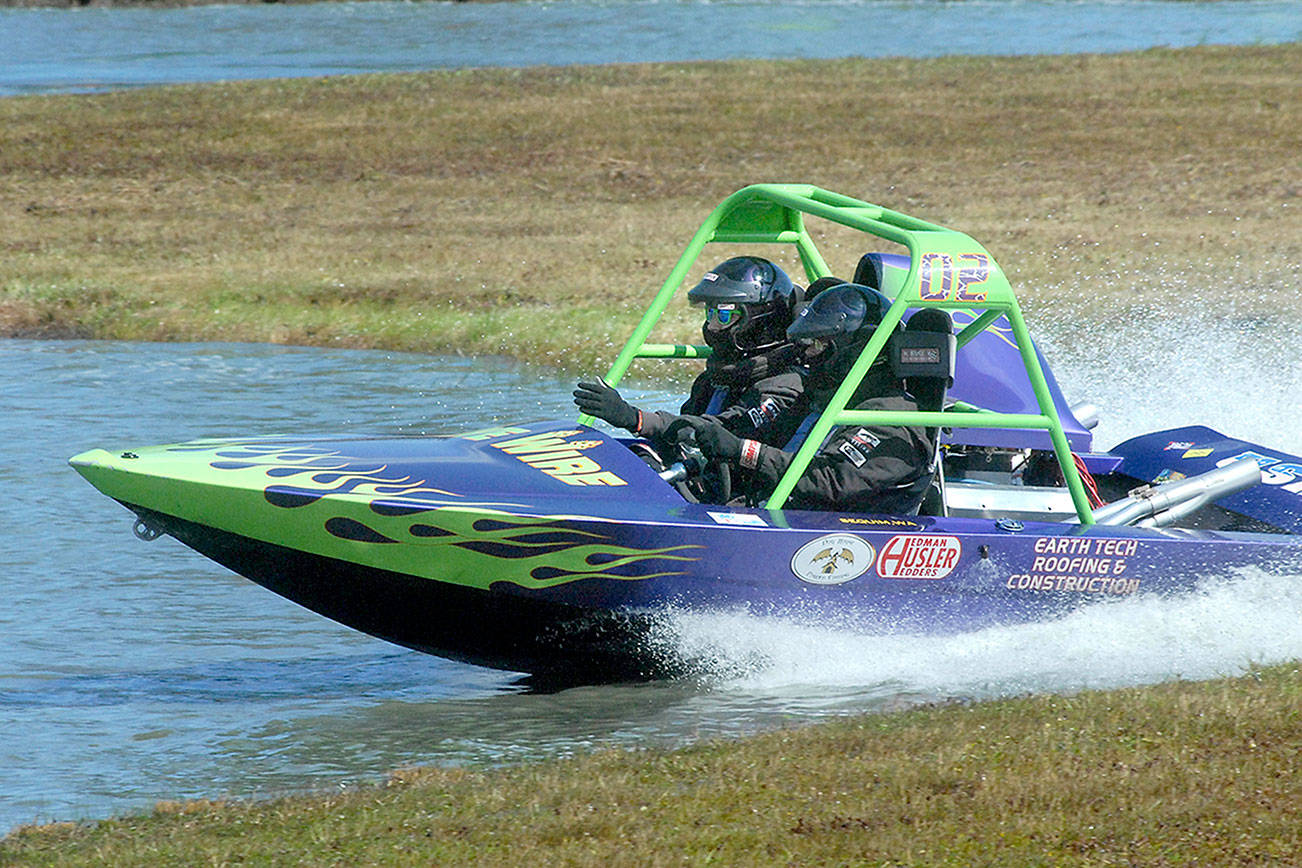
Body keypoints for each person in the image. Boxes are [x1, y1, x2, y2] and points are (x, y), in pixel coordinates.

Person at [681, 282, 938, 514]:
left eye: (817, 344)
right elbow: (741, 431)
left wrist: (745, 451)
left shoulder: (891, 418)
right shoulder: (822, 398)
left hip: (839, 536)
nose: (807, 354)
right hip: (785, 517)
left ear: (854, 348)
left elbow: (831, 479)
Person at [574, 256, 810, 456]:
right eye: (711, 312)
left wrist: (634, 418)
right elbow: (682, 440)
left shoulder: (784, 386)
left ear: (762, 321)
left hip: (742, 498)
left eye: (725, 315)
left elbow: (718, 431)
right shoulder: (715, 379)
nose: (714, 326)